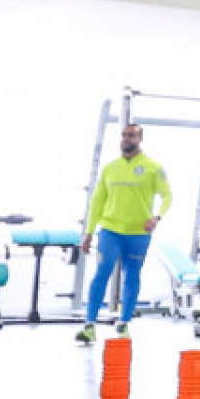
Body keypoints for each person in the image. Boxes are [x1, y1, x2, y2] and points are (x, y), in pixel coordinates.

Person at [77, 121, 171, 343]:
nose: (126, 139)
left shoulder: (154, 167)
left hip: (138, 234)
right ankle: (89, 325)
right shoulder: (110, 168)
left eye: (131, 135)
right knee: (101, 274)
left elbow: (167, 195)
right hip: (110, 231)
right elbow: (97, 202)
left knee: (132, 277)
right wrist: (89, 232)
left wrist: (157, 217)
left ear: (140, 139)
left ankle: (123, 323)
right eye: (124, 135)